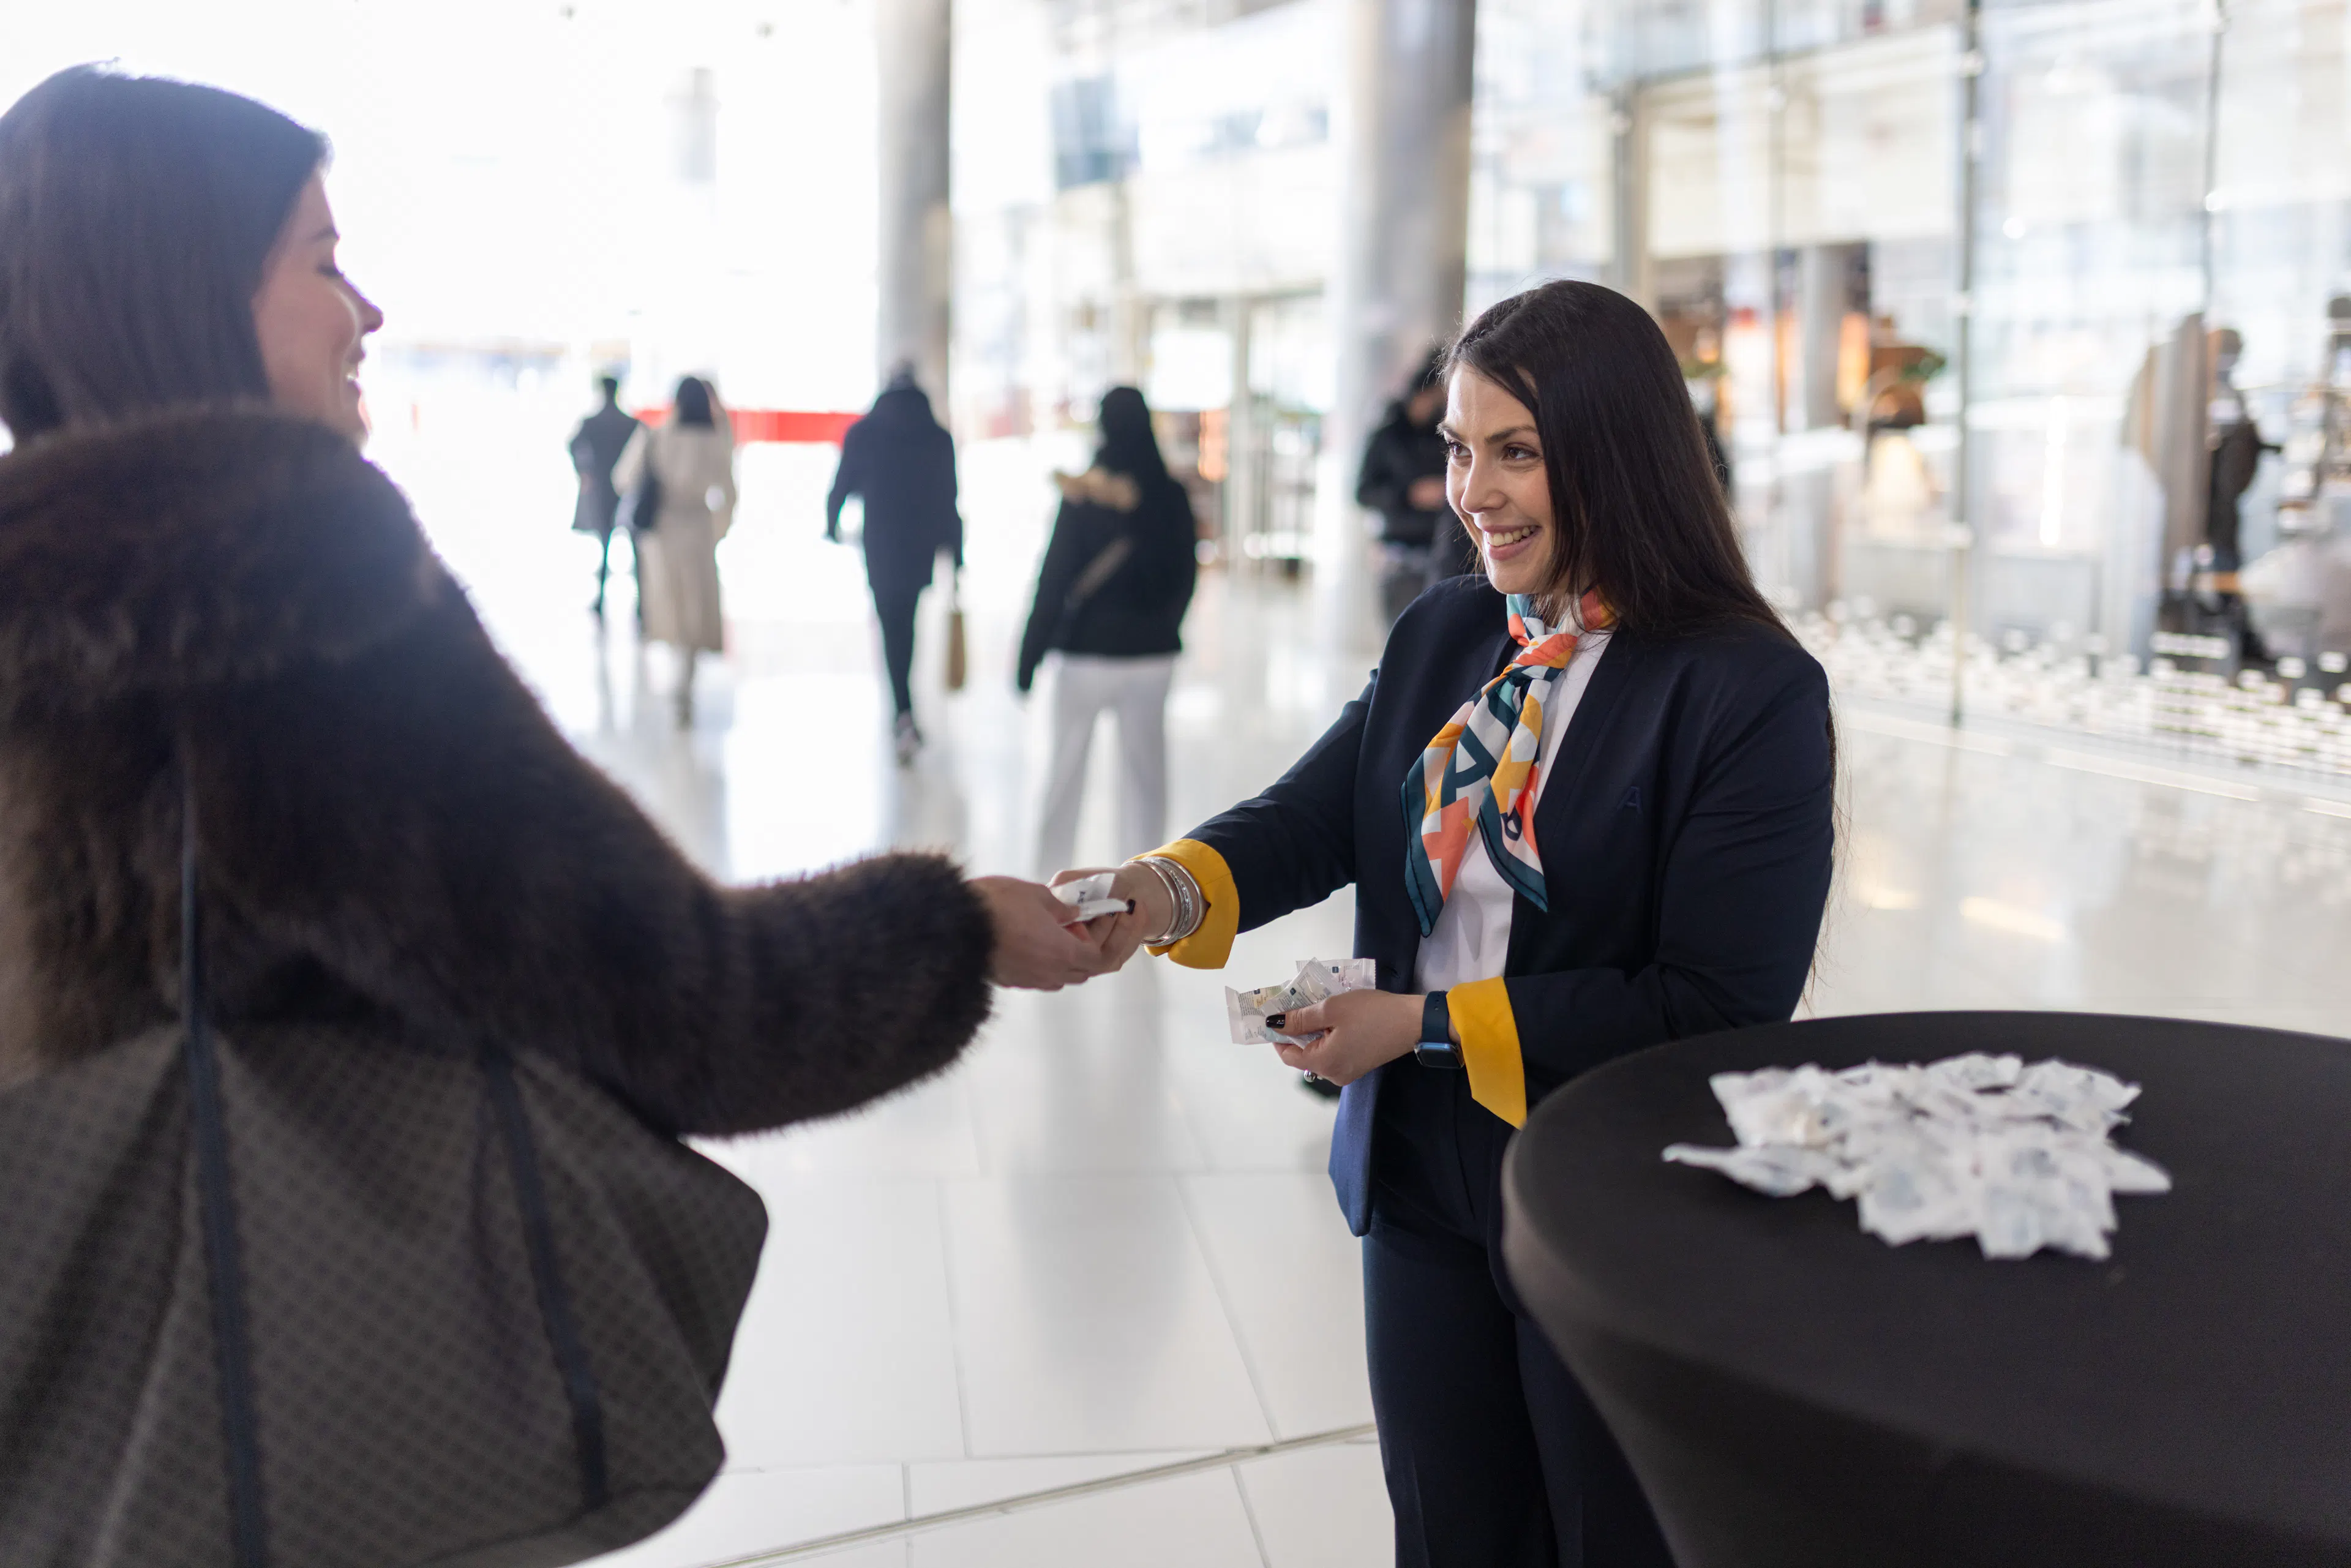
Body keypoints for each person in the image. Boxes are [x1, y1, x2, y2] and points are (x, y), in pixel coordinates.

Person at [0, 64, 1114, 1144]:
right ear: (192, 297)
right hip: (319, 1321)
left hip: (84, 1316)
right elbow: (685, 1012)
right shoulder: (303, 611)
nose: (368, 309)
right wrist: (957, 933)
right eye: (325, 263)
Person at [1060, 280, 1837, 1566]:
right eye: (1463, 449)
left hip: (1611, 1192)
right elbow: (1317, 814)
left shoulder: (1745, 690)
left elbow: (1712, 1004)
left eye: (1519, 452)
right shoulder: (1451, 632)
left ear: (1621, 455)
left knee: (1605, 1536)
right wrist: (1163, 890)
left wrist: (1416, 1023)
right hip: (1424, 1171)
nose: (1476, 490)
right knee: (1448, 1527)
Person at [1017, 386, 1199, 879]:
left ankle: (1048, 877)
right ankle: (1144, 884)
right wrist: (1164, 625)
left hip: (1086, 657)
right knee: (1145, 777)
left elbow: (1054, 578)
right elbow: (1187, 573)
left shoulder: (1084, 493)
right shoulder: (1171, 494)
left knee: (1065, 771)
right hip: (1151, 659)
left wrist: (1028, 655)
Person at [825, 367, 964, 763]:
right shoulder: (938, 438)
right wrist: (957, 553)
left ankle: (902, 708)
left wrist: (831, 525)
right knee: (909, 622)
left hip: (881, 546)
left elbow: (841, 485)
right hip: (920, 548)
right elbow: (949, 498)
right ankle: (904, 707)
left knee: (891, 624)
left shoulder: (865, 433)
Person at [614, 375, 737, 722]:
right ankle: (686, 681)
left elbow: (623, 478)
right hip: (698, 528)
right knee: (697, 605)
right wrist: (718, 529)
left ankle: (677, 680)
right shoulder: (715, 440)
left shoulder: (657, 435)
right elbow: (729, 493)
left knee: (671, 603)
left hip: (663, 531)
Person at [1357, 349, 1475, 623]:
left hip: (1442, 550)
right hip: (1400, 553)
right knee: (1400, 638)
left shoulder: (1443, 433)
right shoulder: (1387, 435)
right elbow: (1364, 491)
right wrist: (1410, 494)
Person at [569, 372, 641, 618]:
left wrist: (585, 472)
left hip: (603, 489)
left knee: (605, 543)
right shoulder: (630, 423)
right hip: (627, 491)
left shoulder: (593, 422)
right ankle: (642, 606)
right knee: (633, 546)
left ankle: (601, 600)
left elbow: (573, 445)